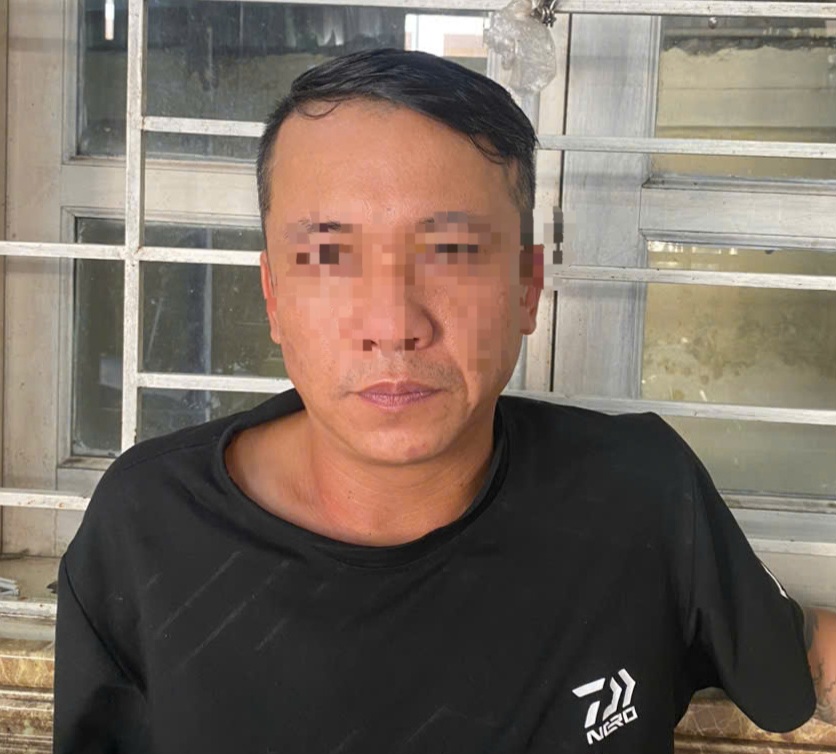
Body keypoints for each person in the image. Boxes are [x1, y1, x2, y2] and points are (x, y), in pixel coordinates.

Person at [54, 48, 834, 753]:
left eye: (451, 250)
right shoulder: (148, 530)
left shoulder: (641, 495)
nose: (394, 323)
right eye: (329, 253)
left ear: (526, 285)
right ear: (273, 296)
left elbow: (793, 659)